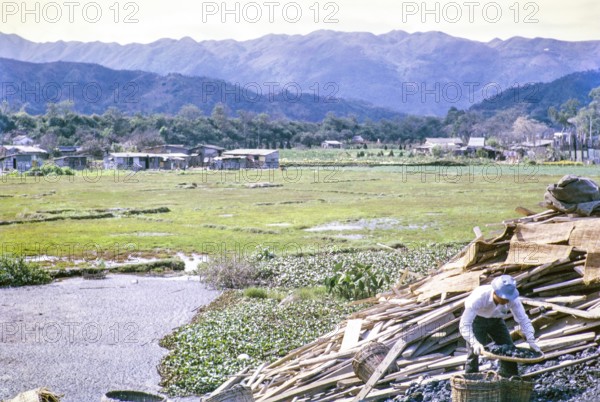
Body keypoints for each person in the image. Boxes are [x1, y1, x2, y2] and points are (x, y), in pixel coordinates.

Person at [459, 274, 541, 377]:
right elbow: (464, 325)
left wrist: (531, 340)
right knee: (474, 353)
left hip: (496, 320)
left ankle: (510, 377)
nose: (507, 301)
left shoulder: (512, 299)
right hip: (477, 320)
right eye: (504, 298)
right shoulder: (479, 297)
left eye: (509, 298)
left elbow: (523, 319)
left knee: (508, 347)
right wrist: (474, 343)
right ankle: (471, 380)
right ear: (495, 293)